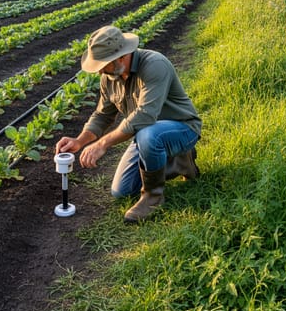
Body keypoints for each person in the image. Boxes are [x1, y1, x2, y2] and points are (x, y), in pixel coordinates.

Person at [55, 25, 202, 223]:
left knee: (148, 134)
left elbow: (145, 116)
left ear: (120, 57)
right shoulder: (109, 77)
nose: (99, 72)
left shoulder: (154, 65)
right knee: (121, 191)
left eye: (103, 64)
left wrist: (102, 144)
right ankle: (180, 162)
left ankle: (152, 199)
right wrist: (79, 141)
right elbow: (102, 115)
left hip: (182, 129)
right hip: (147, 136)